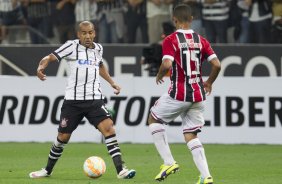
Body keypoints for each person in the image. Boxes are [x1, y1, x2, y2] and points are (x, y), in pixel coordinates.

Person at [29, 21, 136, 179]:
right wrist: (40, 67)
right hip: (73, 101)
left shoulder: (98, 48)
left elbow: (99, 67)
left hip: (94, 100)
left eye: (90, 32)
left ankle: (121, 170)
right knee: (62, 138)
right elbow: (50, 57)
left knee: (109, 129)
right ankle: (47, 170)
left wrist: (112, 82)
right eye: (84, 33)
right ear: (78, 34)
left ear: (94, 33)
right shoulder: (71, 46)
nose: (87, 36)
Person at [147, 4, 221, 184]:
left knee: (153, 119)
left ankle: (169, 162)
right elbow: (217, 65)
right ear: (192, 19)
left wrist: (158, 75)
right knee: (191, 135)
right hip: (198, 94)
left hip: (179, 93)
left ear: (174, 20)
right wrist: (209, 82)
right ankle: (206, 176)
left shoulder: (171, 40)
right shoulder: (201, 40)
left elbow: (166, 64)